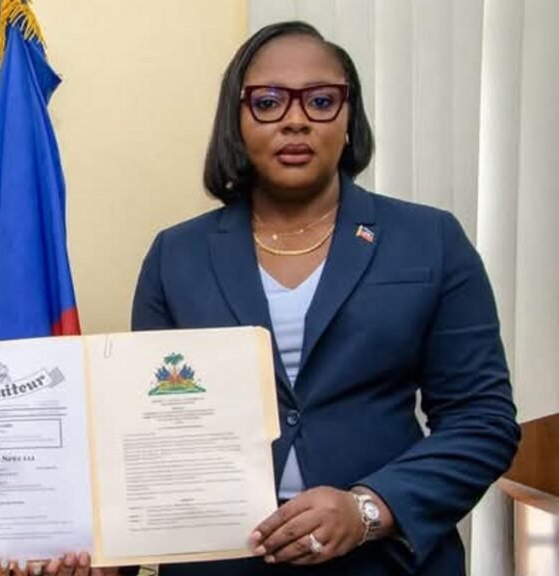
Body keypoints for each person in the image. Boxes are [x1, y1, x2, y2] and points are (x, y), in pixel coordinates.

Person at [131, 21, 519, 576]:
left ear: (348, 117)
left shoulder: (430, 240)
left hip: (383, 561)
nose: (295, 119)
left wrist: (369, 508)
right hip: (221, 560)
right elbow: (152, 431)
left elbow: (481, 421)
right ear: (236, 122)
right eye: (267, 101)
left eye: (320, 100)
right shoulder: (176, 255)